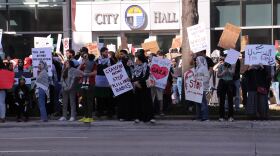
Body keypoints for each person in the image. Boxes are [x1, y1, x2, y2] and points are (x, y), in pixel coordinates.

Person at [132, 49, 155, 123]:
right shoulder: (136, 67)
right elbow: (134, 76)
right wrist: (135, 82)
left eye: (137, 60)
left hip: (145, 86)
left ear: (140, 60)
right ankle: (138, 117)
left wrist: (139, 82)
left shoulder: (146, 66)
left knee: (147, 102)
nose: (136, 61)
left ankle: (149, 117)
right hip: (137, 87)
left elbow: (146, 76)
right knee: (138, 102)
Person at [94, 47, 115, 118]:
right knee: (99, 98)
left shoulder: (111, 60)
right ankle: (100, 112)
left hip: (108, 81)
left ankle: (110, 113)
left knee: (109, 97)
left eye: (107, 52)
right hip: (99, 81)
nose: (107, 53)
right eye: (105, 52)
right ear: (102, 52)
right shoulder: (97, 60)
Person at [115, 49, 134, 121]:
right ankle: (122, 116)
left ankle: (129, 116)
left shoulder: (130, 62)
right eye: (120, 54)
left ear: (126, 54)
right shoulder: (118, 62)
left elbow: (134, 71)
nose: (121, 55)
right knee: (121, 100)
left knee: (129, 100)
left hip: (128, 83)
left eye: (122, 54)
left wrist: (130, 66)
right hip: (121, 84)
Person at [78, 54, 97, 123]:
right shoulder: (83, 64)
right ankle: (85, 116)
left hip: (90, 83)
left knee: (89, 100)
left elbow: (95, 72)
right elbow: (78, 70)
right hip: (84, 83)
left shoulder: (93, 63)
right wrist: (82, 64)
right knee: (84, 99)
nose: (84, 57)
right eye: (84, 56)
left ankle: (90, 117)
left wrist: (87, 74)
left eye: (86, 56)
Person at [217, 54, 235, 122]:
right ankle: (221, 116)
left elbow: (233, 73)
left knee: (230, 100)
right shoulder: (221, 65)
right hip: (223, 82)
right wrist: (223, 73)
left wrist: (228, 71)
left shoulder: (232, 65)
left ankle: (230, 116)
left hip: (230, 82)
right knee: (222, 100)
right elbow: (218, 75)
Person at [195, 56, 210, 121]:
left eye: (197, 60)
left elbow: (207, 77)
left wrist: (200, 81)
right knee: (198, 103)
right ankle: (199, 116)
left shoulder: (204, 68)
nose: (196, 61)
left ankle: (205, 117)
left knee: (203, 102)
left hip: (202, 87)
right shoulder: (197, 68)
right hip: (197, 88)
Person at [0, 58, 6, 123]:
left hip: (2, 88)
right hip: (2, 88)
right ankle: (2, 117)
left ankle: (2, 117)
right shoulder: (4, 68)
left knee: (1, 103)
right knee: (2, 103)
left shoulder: (3, 69)